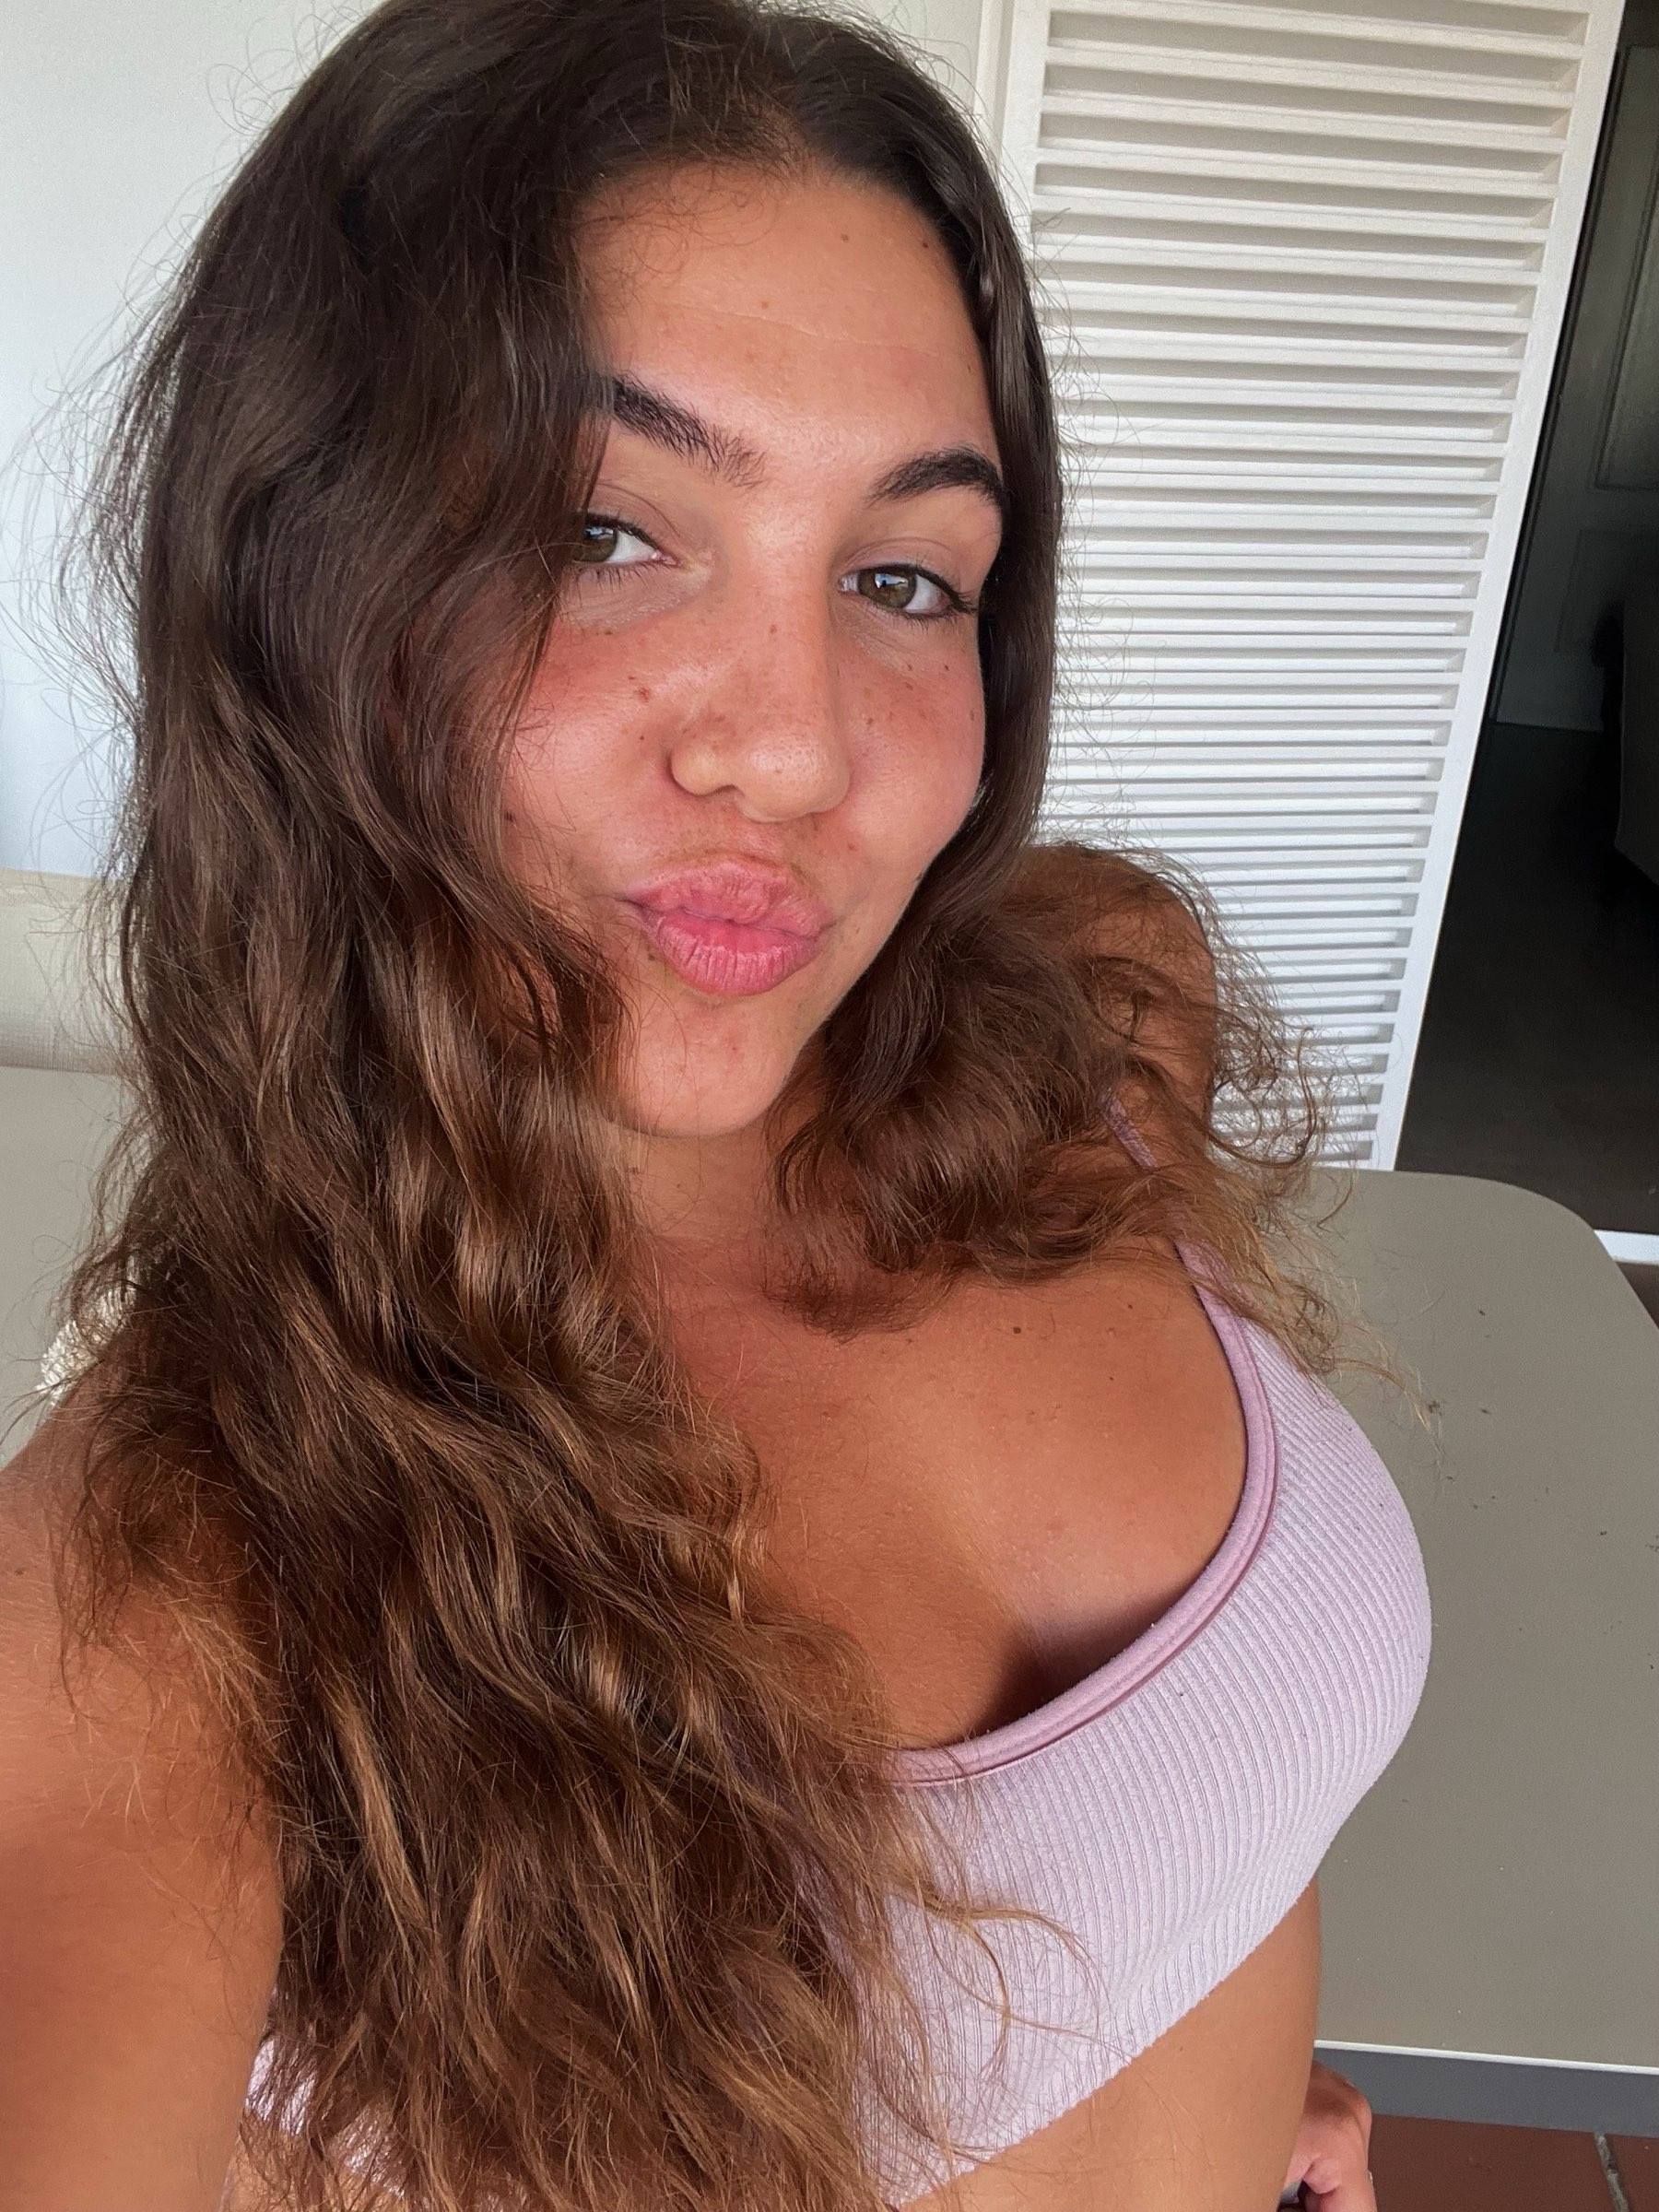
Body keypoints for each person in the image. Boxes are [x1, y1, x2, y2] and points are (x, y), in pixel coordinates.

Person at [0, 0, 1428, 2206]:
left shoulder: (1096, 1008)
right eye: (602, 532)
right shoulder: (167, 1576)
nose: (797, 746)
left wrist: (1216, 2020)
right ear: (301, 587)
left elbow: (1156, 1822)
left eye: (902, 578)